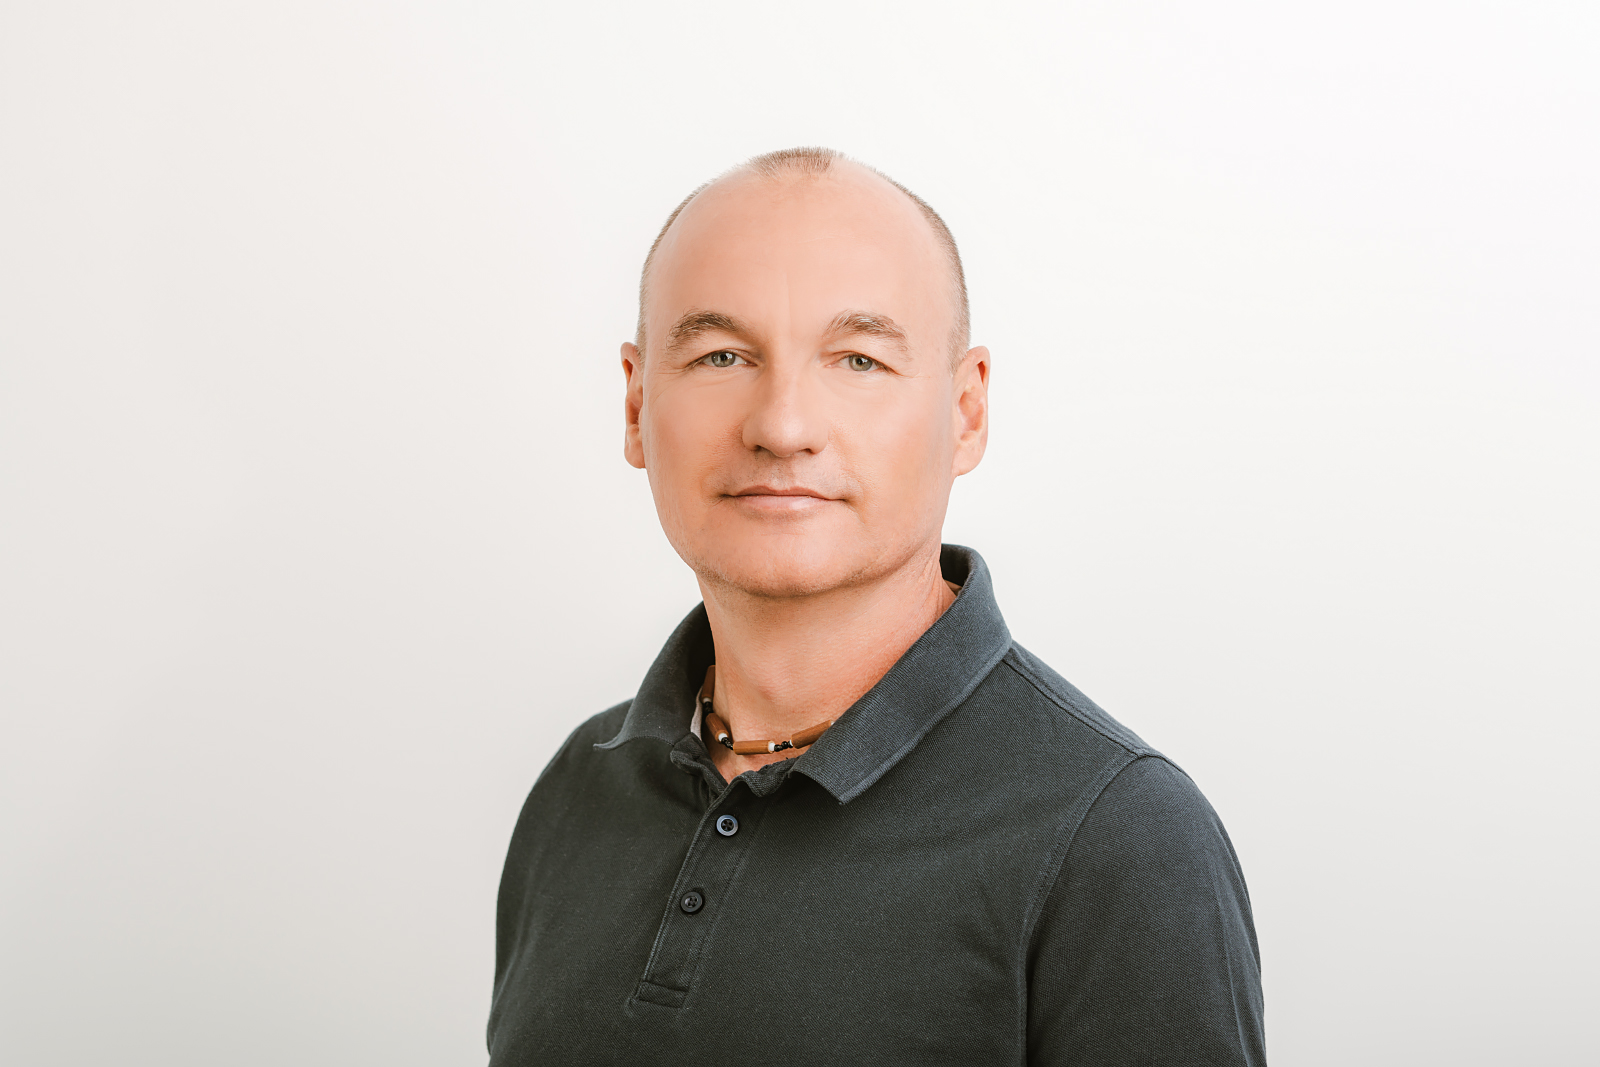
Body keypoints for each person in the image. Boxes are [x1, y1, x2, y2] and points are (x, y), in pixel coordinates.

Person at [487, 147, 1265, 1065]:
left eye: (858, 359)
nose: (782, 426)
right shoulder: (577, 787)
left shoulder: (1120, 838)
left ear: (966, 412)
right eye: (721, 354)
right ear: (635, 403)